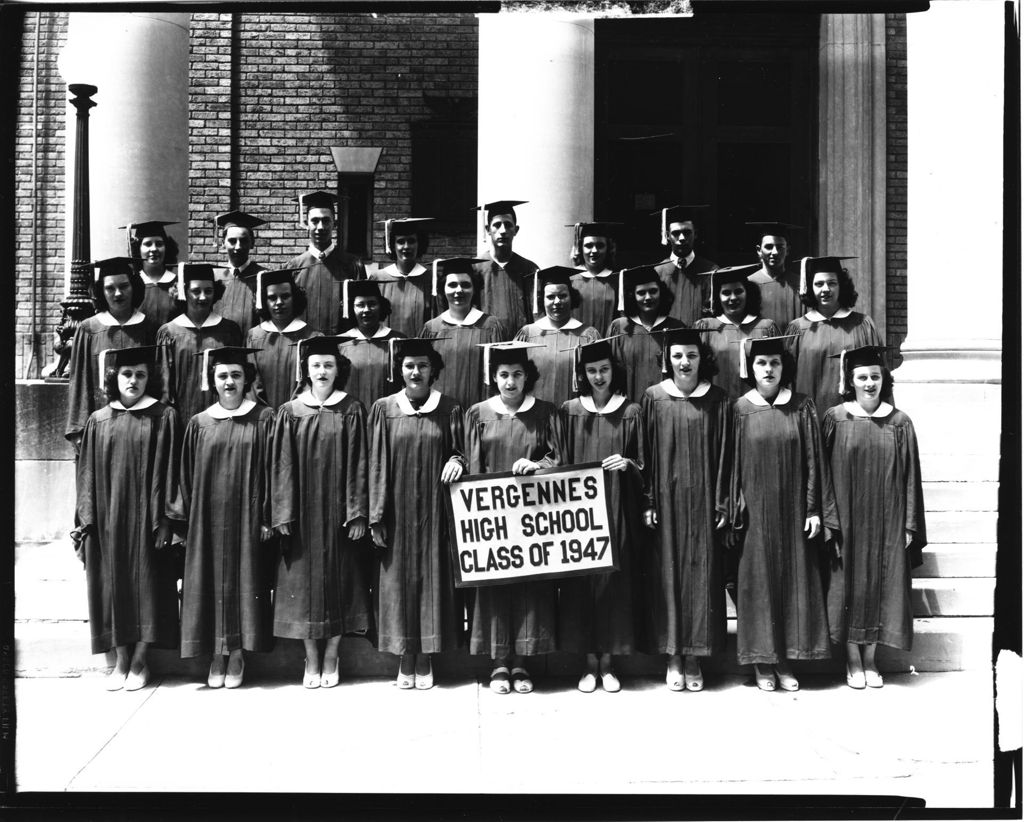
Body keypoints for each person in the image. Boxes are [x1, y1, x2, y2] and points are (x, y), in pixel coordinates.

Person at [729, 335, 837, 692]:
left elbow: (813, 461)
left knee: (791, 583)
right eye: (762, 363)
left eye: (775, 363)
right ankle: (763, 661)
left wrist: (813, 509)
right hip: (756, 514)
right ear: (752, 369)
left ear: (783, 367)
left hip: (793, 512)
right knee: (758, 584)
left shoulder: (803, 407)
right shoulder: (741, 409)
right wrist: (735, 504)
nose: (769, 369)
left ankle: (786, 660)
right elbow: (730, 465)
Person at [75, 345, 181, 691]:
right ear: (114, 378)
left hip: (148, 521)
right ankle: (120, 659)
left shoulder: (163, 416)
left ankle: (139, 660)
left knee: (150, 583)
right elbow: (86, 474)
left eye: (140, 374)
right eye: (126, 374)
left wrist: (166, 518)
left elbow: (170, 472)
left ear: (149, 378)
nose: (133, 381)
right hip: (109, 520)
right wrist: (86, 522)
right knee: (114, 584)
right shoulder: (99, 420)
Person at [823, 345, 927, 689]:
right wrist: (828, 517)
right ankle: (852, 659)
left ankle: (871, 659)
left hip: (886, 519)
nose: (869, 383)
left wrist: (910, 523)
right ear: (850, 381)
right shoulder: (836, 418)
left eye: (875, 377)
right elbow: (822, 472)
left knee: (880, 586)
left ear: (885, 380)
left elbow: (911, 477)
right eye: (862, 377)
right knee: (849, 584)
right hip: (847, 519)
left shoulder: (899, 422)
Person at [271, 337, 371, 688]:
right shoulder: (291, 411)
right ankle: (310, 658)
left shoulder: (352, 409)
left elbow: (361, 463)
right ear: (307, 371)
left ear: (338, 369)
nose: (322, 371)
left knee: (339, 583)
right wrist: (282, 513)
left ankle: (332, 655)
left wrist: (358, 513)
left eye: (328, 365)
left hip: (339, 516)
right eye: (316, 366)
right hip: (302, 516)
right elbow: (281, 465)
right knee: (303, 584)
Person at [368, 338, 466, 689]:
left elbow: (460, 450)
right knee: (398, 584)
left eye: (423, 366)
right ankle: (404, 655)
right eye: (409, 365)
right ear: (400, 370)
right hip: (396, 511)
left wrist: (457, 460)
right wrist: (376, 516)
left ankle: (425, 654)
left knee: (431, 580)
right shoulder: (384, 409)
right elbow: (376, 463)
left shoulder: (450, 408)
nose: (416, 372)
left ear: (433, 371)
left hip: (435, 511)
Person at [176, 346, 276, 688]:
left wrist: (267, 517)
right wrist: (185, 523)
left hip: (248, 519)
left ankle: (236, 654)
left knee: (244, 582)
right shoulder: (199, 423)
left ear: (247, 379)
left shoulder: (264, 418)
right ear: (212, 382)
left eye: (236, 375)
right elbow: (186, 477)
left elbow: (274, 472)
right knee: (209, 583)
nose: (230, 381)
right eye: (222, 376)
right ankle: (215, 654)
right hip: (207, 522)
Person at [466, 341, 562, 694]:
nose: (510, 382)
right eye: (504, 375)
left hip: (532, 516)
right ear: (493, 377)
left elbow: (558, 458)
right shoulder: (478, 413)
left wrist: (537, 465)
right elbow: (471, 463)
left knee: (528, 589)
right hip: (492, 518)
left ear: (527, 377)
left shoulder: (546, 412)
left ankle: (522, 663)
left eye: (517, 375)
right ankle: (498, 663)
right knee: (496, 587)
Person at [640, 328, 731, 691]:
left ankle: (694, 655)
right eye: (677, 355)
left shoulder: (718, 399)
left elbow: (727, 453)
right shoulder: (653, 398)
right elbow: (644, 453)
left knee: (700, 577)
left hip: (704, 502)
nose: (684, 362)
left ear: (701, 358)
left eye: (691, 355)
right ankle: (672, 655)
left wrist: (722, 500)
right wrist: (647, 501)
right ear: (668, 360)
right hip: (666, 502)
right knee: (668, 575)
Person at [557, 340, 646, 693]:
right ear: (582, 374)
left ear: (614, 372)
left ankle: (607, 663)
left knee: (613, 587)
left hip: (616, 509)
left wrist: (627, 464)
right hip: (578, 515)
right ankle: (587, 663)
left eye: (604, 370)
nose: (598, 376)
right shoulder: (568, 411)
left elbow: (643, 460)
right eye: (592, 371)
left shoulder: (631, 411)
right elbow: (559, 459)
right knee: (582, 586)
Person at [65, 257, 161, 450]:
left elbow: (158, 379)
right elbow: (79, 381)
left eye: (124, 286)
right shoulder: (88, 329)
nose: (118, 293)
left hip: (141, 424)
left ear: (134, 287)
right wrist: (78, 428)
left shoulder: (150, 327)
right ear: (101, 291)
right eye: (110, 288)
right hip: (99, 423)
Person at [785, 256, 884, 423]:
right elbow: (787, 382)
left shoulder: (862, 324)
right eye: (819, 284)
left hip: (854, 419)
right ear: (809, 287)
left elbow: (880, 374)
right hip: (809, 419)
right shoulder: (798, 329)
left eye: (832, 283)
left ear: (841, 286)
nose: (825, 289)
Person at [157, 263, 243, 425]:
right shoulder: (169, 333)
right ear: (184, 292)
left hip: (222, 418)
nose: (203, 297)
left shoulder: (229, 330)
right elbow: (164, 388)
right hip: (181, 419)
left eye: (208, 291)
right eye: (196, 291)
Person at [420, 257, 509, 411]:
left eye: (466, 285)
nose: (459, 290)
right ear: (443, 289)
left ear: (475, 289)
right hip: (440, 412)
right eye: (452, 285)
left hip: (482, 411)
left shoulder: (491, 326)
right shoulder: (431, 329)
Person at [513, 266, 600, 406]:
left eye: (563, 295)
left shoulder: (588, 335)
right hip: (534, 415)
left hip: (576, 415)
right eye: (550, 297)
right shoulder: (527, 334)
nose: (557, 301)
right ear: (542, 300)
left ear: (572, 297)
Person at [694, 264, 780, 400]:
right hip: (716, 405)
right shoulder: (706, 328)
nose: (733, 298)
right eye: (726, 293)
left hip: (756, 406)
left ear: (748, 293)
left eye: (738, 291)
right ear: (717, 296)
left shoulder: (765, 327)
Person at [286, 190, 366, 335]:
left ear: (334, 224)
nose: (321, 227)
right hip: (303, 345)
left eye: (326, 220)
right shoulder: (293, 268)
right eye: (315, 221)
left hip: (343, 345)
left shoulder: (352, 265)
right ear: (306, 224)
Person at [606, 265, 687, 402]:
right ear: (632, 295)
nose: (648, 297)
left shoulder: (676, 328)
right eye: (641, 293)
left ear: (662, 293)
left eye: (653, 291)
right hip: (628, 406)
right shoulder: (620, 328)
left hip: (666, 405)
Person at [245, 267, 321, 409]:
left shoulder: (312, 337)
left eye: (285, 296)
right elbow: (252, 383)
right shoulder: (254, 337)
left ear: (295, 298)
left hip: (299, 417)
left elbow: (309, 383)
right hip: (262, 419)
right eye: (272, 298)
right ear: (264, 301)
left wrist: (290, 414)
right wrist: (265, 415)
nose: (279, 302)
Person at [471, 200, 538, 334]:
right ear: (487, 230)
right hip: (486, 341)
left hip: (522, 342)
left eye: (508, 225)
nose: (503, 231)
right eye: (497, 225)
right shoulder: (475, 268)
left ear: (516, 230)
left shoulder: (529, 269)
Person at [338, 280, 406, 412]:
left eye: (372, 304)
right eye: (360, 305)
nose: (366, 310)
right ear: (351, 308)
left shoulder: (398, 340)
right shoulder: (341, 343)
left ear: (381, 306)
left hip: (390, 414)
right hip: (351, 416)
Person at [368, 217, 436, 337]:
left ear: (419, 243)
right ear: (392, 245)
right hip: (385, 349)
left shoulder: (431, 279)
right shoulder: (378, 279)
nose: (406, 246)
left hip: (421, 352)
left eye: (411, 241)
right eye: (400, 241)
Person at [651, 205, 717, 325]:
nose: (682, 238)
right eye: (676, 233)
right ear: (667, 236)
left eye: (687, 233)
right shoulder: (658, 272)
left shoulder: (711, 271)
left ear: (695, 234)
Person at [212, 210, 267, 339]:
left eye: (243, 241)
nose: (238, 247)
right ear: (223, 243)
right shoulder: (214, 277)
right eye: (232, 241)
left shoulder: (263, 277)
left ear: (252, 243)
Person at [744, 221, 803, 332]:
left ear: (788, 250)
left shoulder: (800, 283)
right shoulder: (748, 284)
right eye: (769, 247)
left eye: (780, 247)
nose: (775, 252)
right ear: (759, 250)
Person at [120, 220, 181, 326]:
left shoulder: (179, 284)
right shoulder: (131, 284)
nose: (153, 249)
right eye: (147, 244)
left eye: (159, 244)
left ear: (167, 248)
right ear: (138, 249)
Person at [568, 221, 622, 334]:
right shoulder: (571, 281)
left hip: (608, 346)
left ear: (608, 248)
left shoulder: (618, 281)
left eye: (600, 245)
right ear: (580, 248)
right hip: (577, 344)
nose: (594, 250)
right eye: (588, 246)